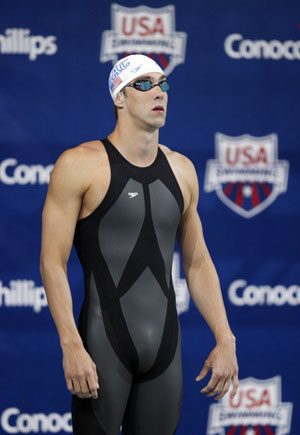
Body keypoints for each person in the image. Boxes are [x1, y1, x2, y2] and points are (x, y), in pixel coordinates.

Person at [40, 54, 238, 435]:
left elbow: (197, 262)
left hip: (165, 350)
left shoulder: (182, 170)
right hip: (101, 345)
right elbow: (52, 261)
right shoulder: (79, 165)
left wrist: (225, 337)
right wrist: (71, 344)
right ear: (119, 97)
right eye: (144, 84)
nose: (159, 92)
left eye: (163, 83)